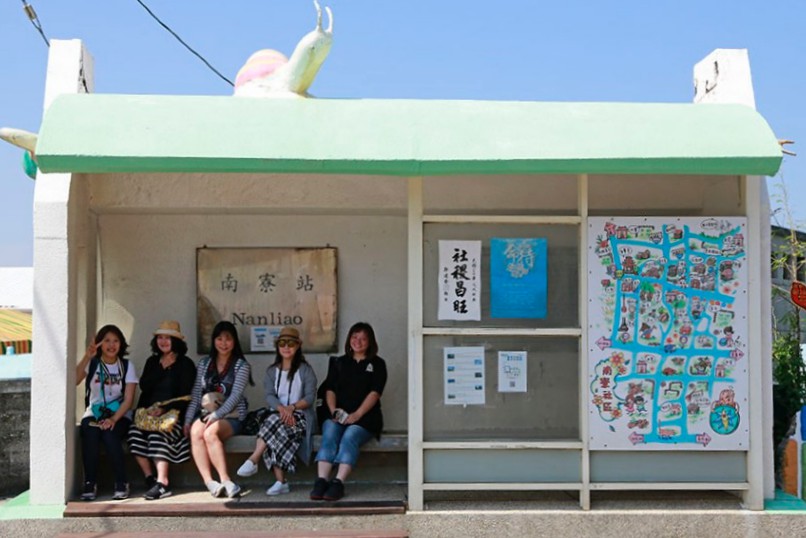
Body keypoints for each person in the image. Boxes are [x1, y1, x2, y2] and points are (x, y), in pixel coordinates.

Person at [310, 322, 387, 501]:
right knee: (329, 433)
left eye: (362, 338)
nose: (357, 342)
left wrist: (356, 415)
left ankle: (338, 482)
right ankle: (321, 480)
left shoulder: (377, 364)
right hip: (338, 415)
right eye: (354, 337)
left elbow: (375, 393)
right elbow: (330, 389)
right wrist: (334, 411)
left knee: (350, 436)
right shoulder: (338, 362)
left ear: (370, 342)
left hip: (365, 418)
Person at [236, 327, 317, 495]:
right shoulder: (272, 371)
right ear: (277, 346)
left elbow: (309, 397)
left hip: (300, 419)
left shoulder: (306, 370)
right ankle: (280, 481)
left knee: (271, 425)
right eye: (282, 343)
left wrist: (291, 408)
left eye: (291, 343)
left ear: (298, 346)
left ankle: (255, 460)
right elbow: (269, 395)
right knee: (275, 425)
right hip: (278, 416)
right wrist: (282, 410)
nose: (286, 347)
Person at [127, 320, 197, 500]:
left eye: (168, 338)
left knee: (156, 434)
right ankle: (151, 479)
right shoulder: (152, 362)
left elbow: (187, 396)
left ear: (176, 341)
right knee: (134, 432)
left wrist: (164, 409)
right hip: (148, 414)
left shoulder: (186, 364)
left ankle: (163, 482)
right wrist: (161, 367)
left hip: (173, 417)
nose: (164, 341)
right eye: (160, 338)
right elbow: (145, 386)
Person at [183, 320, 253, 498]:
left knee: (210, 433)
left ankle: (226, 481)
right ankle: (210, 482)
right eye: (219, 339)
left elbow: (235, 396)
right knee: (195, 432)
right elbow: (197, 395)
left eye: (228, 339)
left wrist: (216, 416)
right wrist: (188, 420)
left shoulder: (241, 366)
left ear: (234, 341)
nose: (223, 343)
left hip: (233, 415)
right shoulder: (205, 364)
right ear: (213, 341)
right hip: (208, 412)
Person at [75, 324, 139, 501]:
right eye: (107, 341)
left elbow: (128, 400)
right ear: (99, 344)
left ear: (121, 344)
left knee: (110, 434)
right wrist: (87, 357)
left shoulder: (127, 366)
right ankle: (90, 482)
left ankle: (121, 482)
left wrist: (112, 419)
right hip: (94, 413)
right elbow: (74, 380)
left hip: (119, 414)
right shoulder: (93, 363)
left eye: (116, 341)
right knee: (90, 432)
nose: (112, 345)